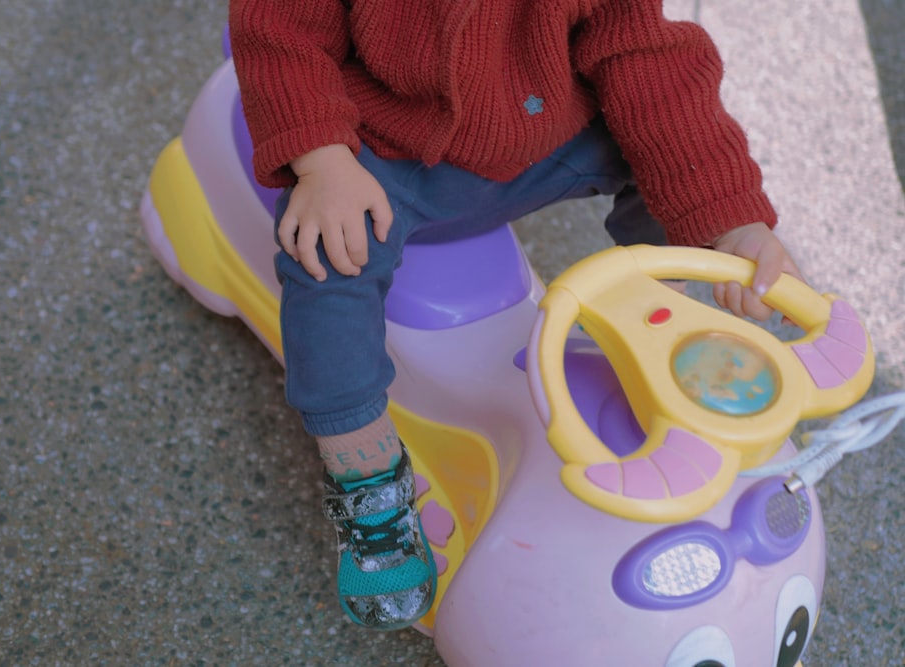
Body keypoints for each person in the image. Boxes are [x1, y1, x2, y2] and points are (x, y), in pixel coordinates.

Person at [228, 0, 805, 630]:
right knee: (325, 260)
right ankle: (366, 476)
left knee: (671, 157)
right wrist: (321, 158)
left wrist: (731, 217)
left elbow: (643, 57)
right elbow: (280, 29)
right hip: (386, 146)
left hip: (543, 132)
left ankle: (662, 338)